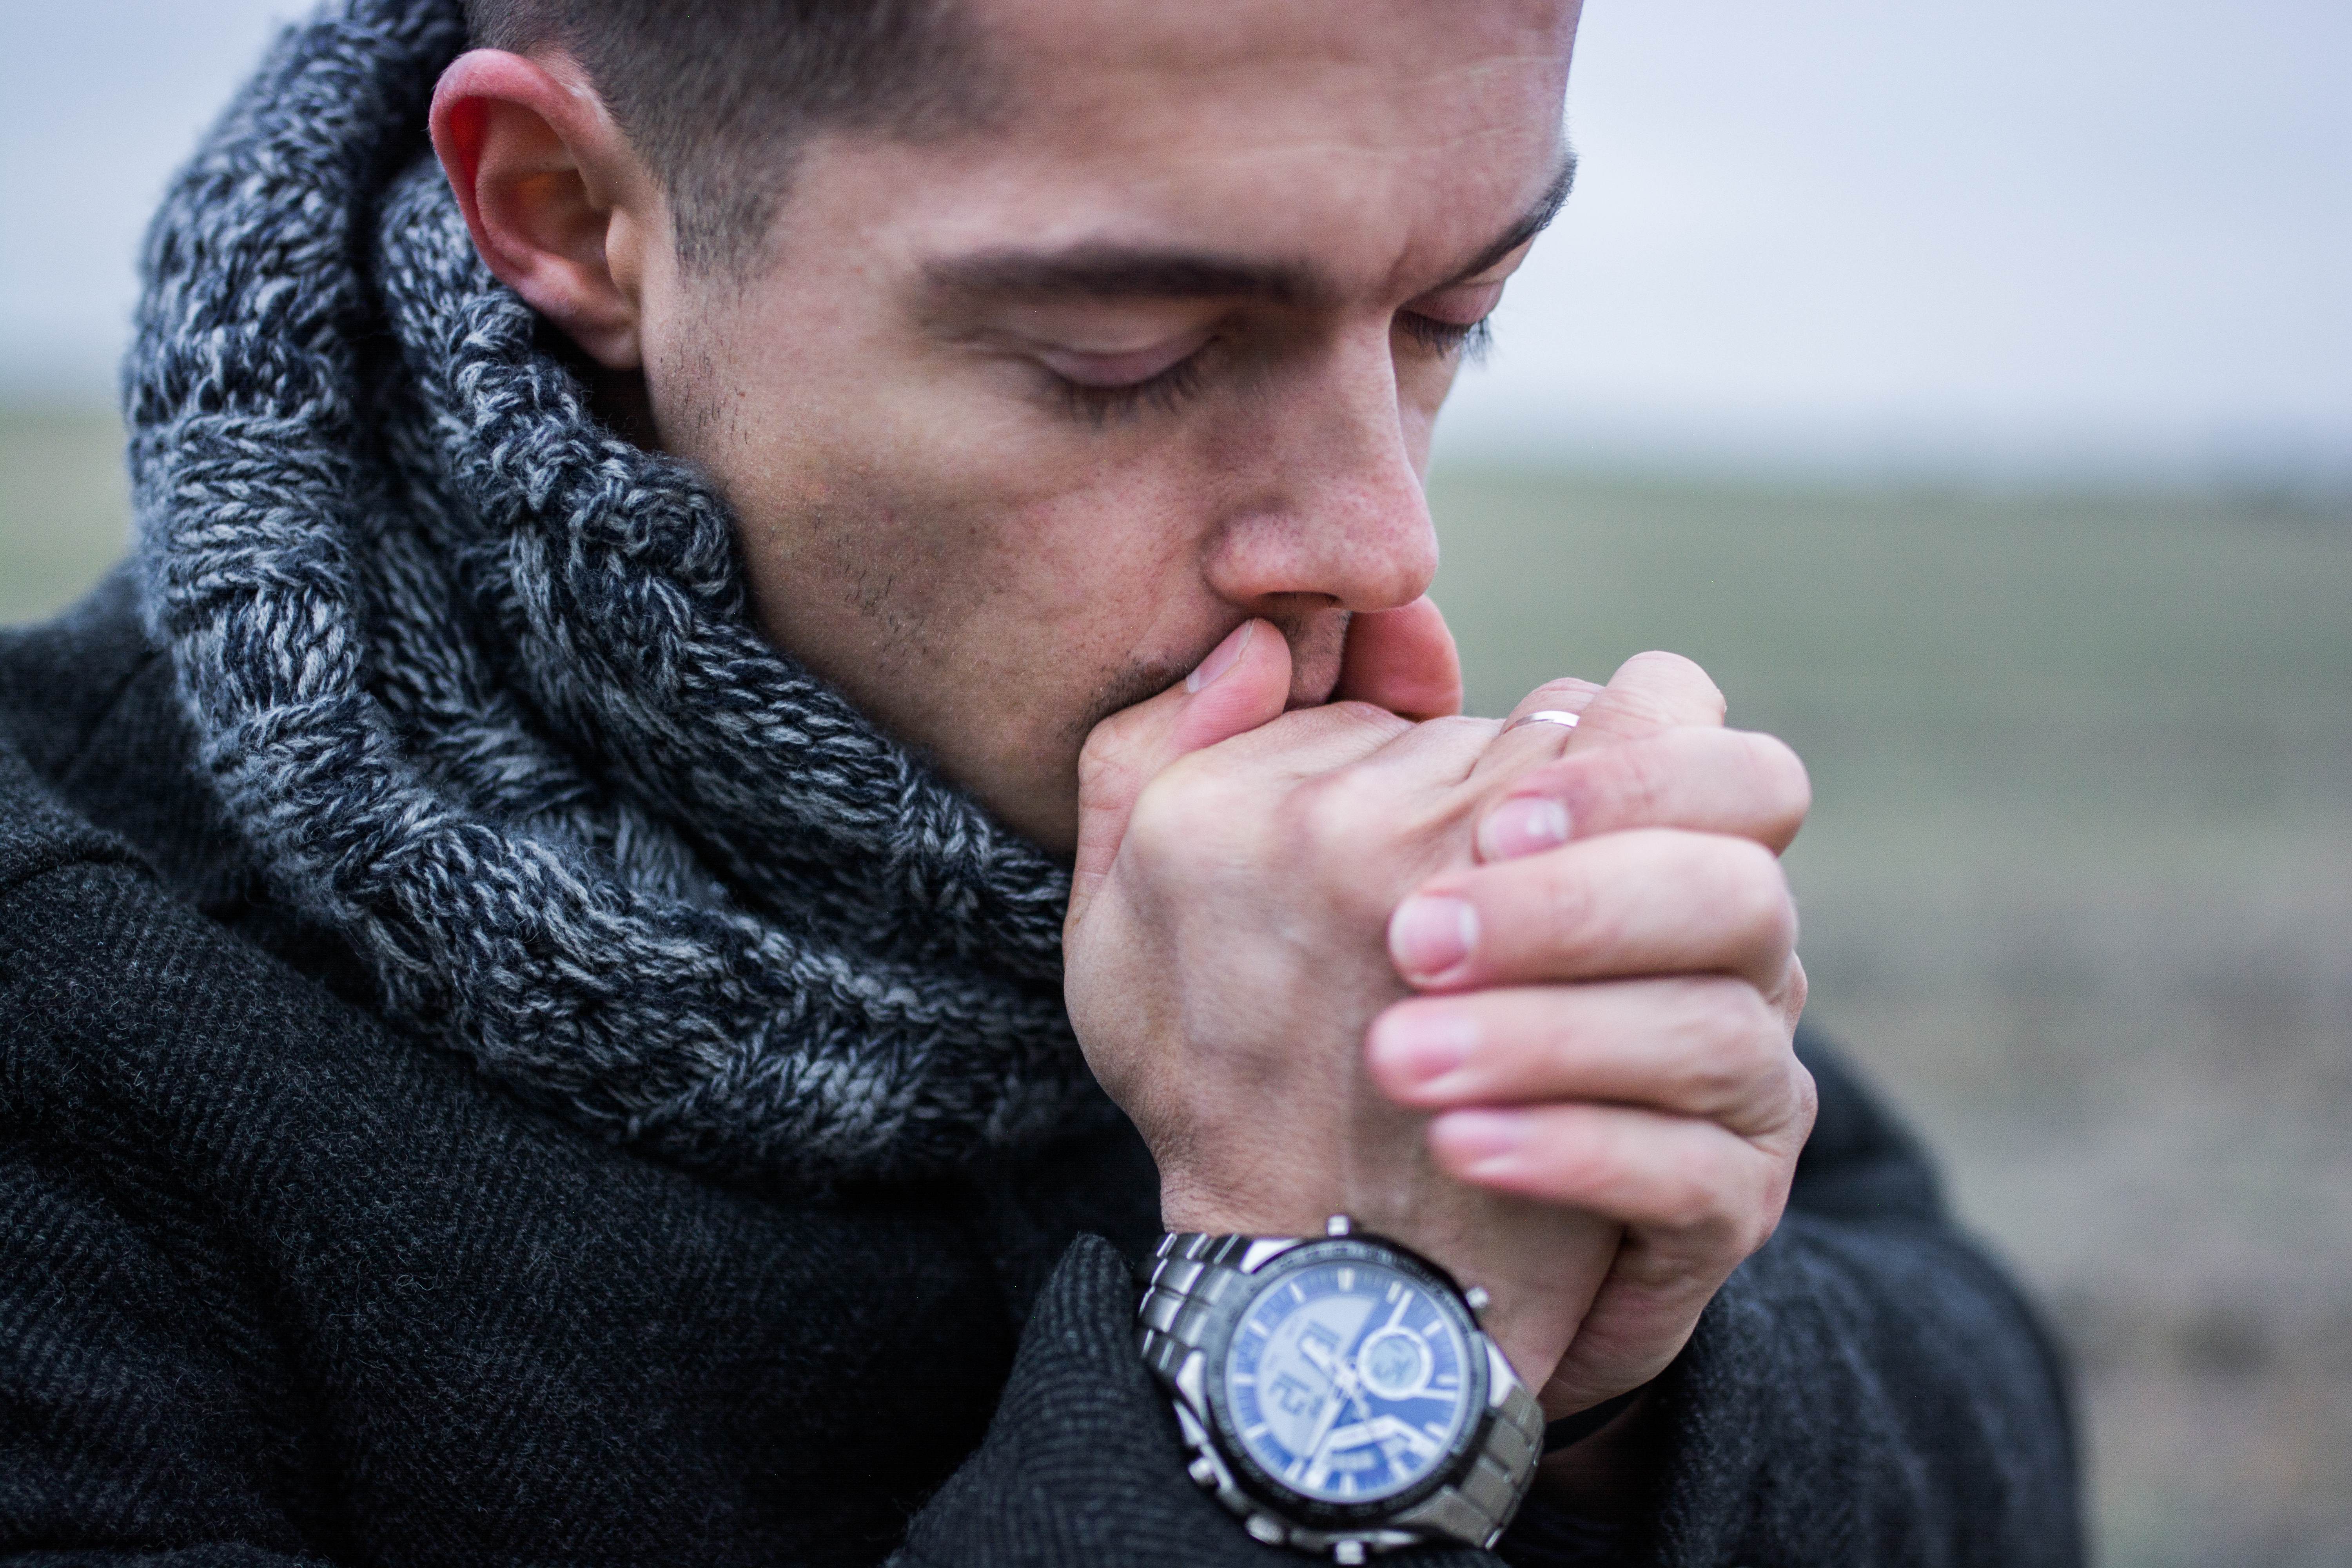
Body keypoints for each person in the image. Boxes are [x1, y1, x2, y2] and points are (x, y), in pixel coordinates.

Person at [0, 0, 2081, 1563]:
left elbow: (1987, 1418)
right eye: (1132, 353)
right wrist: (1321, 1321)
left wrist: (1607, 1379)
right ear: (573, 216)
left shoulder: (1340, 852)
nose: (1380, 539)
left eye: (1458, 311)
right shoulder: (69, 1029)